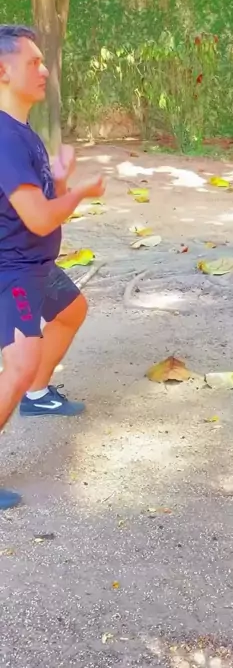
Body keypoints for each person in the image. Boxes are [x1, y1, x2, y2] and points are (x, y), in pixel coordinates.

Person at [0, 25, 106, 510]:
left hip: (34, 261)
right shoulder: (5, 138)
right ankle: (30, 385)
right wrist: (80, 192)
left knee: (71, 311)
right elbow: (41, 218)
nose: (43, 70)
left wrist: (60, 177)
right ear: (4, 72)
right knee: (20, 364)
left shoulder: (23, 133)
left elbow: (42, 203)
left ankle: (38, 396)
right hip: (13, 270)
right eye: (33, 62)